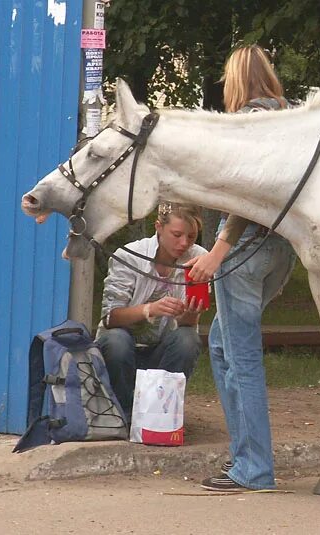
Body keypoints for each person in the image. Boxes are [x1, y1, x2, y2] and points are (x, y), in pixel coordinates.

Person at [185, 44, 297, 492]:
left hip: (244, 253)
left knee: (242, 359)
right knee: (221, 346)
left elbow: (245, 197)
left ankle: (254, 469)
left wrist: (217, 251)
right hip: (280, 252)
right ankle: (246, 458)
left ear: (237, 79)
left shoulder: (250, 120)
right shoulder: (288, 119)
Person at [97, 201, 208, 421]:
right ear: (158, 227)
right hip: (123, 348)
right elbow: (110, 318)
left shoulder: (200, 258)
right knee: (117, 340)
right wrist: (149, 309)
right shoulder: (129, 255)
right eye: (177, 234)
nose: (184, 243)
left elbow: (187, 327)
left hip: (162, 349)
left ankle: (159, 415)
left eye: (192, 237)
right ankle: (125, 415)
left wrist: (191, 314)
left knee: (188, 339)